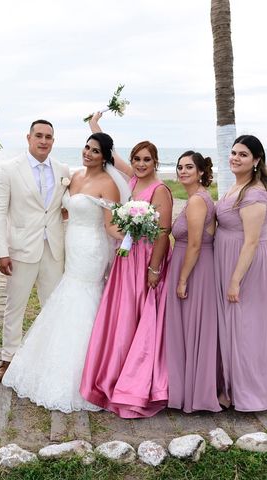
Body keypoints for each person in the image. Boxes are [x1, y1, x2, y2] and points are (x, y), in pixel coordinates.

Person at [2, 132, 129, 412]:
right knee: (67, 293)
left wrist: (135, 234)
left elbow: (111, 225)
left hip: (92, 247)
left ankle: (87, 370)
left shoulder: (108, 184)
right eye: (86, 147)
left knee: (83, 296)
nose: (88, 153)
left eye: (95, 151)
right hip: (70, 244)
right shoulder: (73, 175)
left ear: (105, 156)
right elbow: (65, 211)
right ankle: (53, 363)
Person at [80, 113, 172, 418]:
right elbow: (112, 152)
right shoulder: (130, 179)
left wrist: (155, 269)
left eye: (147, 159)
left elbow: (162, 231)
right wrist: (95, 126)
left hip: (145, 260)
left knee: (138, 314)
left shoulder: (160, 190)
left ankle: (136, 381)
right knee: (121, 316)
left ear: (155, 162)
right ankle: (114, 373)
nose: (141, 163)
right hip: (125, 259)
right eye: (137, 159)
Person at [0, 120, 70, 383]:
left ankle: (49, 358)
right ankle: (8, 358)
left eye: (49, 136)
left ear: (53, 141)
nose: (43, 141)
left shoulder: (62, 169)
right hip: (21, 248)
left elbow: (61, 209)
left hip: (53, 248)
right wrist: (1, 251)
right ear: (28, 137)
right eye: (39, 135)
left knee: (52, 306)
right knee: (15, 307)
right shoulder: (9, 169)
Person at [215, 134, 267, 411]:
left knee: (245, 327)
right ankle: (228, 385)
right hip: (226, 258)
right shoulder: (235, 186)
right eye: (233, 152)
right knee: (231, 326)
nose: (235, 158)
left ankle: (247, 391)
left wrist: (235, 280)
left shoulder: (254, 192)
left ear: (256, 161)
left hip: (244, 266)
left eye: (243, 154)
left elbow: (251, 241)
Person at [165, 151, 221, 413]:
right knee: (188, 330)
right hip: (190, 266)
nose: (183, 171)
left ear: (200, 172)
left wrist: (183, 279)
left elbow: (196, 244)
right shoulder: (194, 199)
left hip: (195, 270)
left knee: (192, 328)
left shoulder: (198, 201)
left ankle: (195, 394)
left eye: (189, 167)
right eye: (179, 167)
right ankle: (187, 389)